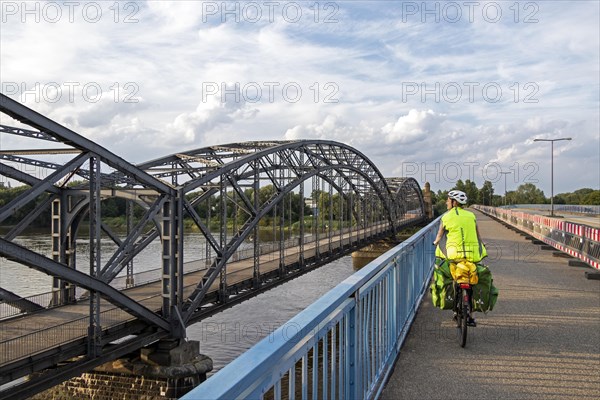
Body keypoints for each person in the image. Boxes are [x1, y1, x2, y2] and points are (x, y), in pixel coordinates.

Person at [433, 189, 487, 326]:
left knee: (452, 276)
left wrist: (435, 242)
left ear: (454, 202)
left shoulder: (446, 217)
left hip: (453, 255)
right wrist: (482, 244)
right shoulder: (471, 216)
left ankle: (455, 306)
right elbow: (478, 235)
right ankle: (471, 315)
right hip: (472, 254)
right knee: (471, 278)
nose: (446, 202)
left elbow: (439, 235)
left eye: (448, 200)